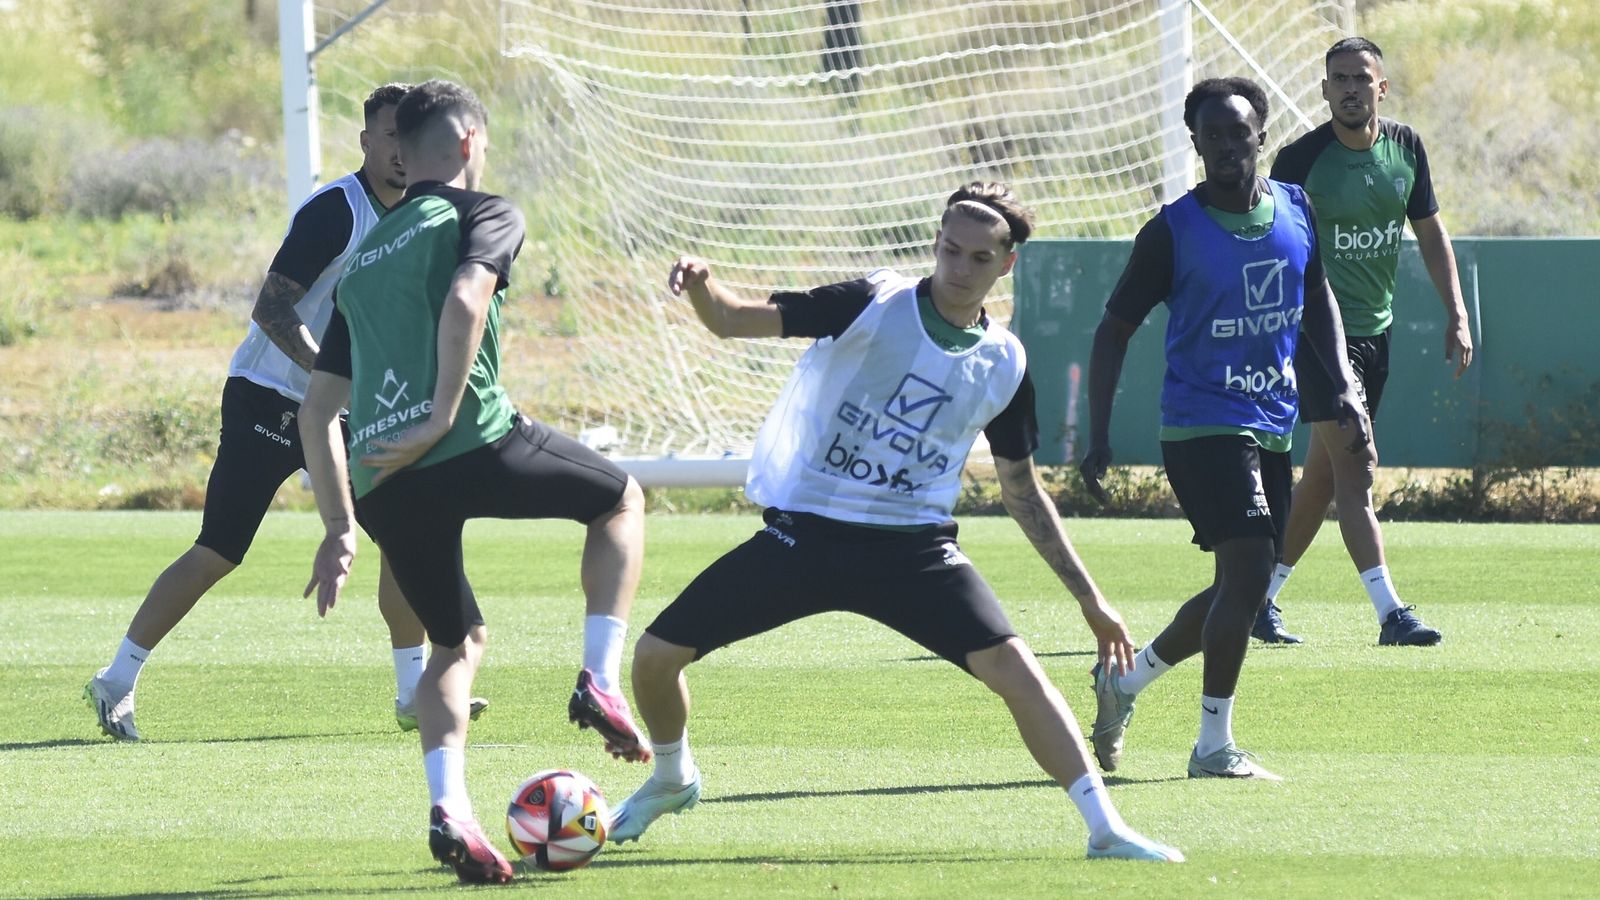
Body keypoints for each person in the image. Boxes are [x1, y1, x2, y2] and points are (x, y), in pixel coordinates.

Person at [605, 182, 1184, 863]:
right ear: (934, 244)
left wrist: (1093, 602)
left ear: (1006, 265)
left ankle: (1105, 828)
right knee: (653, 659)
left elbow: (1024, 493)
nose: (957, 268)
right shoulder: (872, 304)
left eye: (976, 257)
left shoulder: (1006, 362)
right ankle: (674, 778)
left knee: (1022, 675)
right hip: (806, 536)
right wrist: (704, 287)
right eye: (948, 250)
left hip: (914, 552)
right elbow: (734, 320)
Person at [298, 79, 651, 886]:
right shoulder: (482, 211)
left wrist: (339, 525)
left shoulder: (364, 259)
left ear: (400, 152)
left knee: (454, 644)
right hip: (471, 442)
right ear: (466, 144)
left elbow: (317, 411)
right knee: (620, 498)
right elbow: (466, 298)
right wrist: (437, 418)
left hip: (383, 482)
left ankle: (450, 809)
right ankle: (598, 676)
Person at [82, 84, 488, 741]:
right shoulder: (335, 211)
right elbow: (271, 309)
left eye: (409, 142)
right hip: (267, 398)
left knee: (406, 538)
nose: (400, 153)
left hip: (349, 407)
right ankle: (117, 679)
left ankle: (414, 690)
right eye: (388, 138)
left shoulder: (428, 217)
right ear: (366, 142)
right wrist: (333, 381)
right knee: (220, 549)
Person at [1080, 78, 1369, 781]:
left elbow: (1317, 298)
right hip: (1201, 424)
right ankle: (1213, 746)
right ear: (1196, 145)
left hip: (1271, 421)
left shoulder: (1296, 209)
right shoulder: (1172, 231)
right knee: (1246, 573)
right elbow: (1113, 331)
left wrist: (1345, 388)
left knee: (1236, 589)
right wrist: (1098, 434)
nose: (1228, 147)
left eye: (1239, 133)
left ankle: (1124, 683)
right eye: (1213, 136)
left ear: (1260, 136)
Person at [1254, 36, 1474, 646]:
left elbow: (1430, 232)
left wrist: (1456, 312)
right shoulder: (1300, 161)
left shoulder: (1406, 148)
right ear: (1324, 90)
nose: (1350, 88)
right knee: (1357, 470)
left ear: (1381, 87)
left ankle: (1258, 599)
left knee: (1323, 480)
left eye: (1361, 78)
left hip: (1376, 334)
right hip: (1320, 337)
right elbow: (1273, 248)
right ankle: (1390, 612)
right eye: (1339, 79)